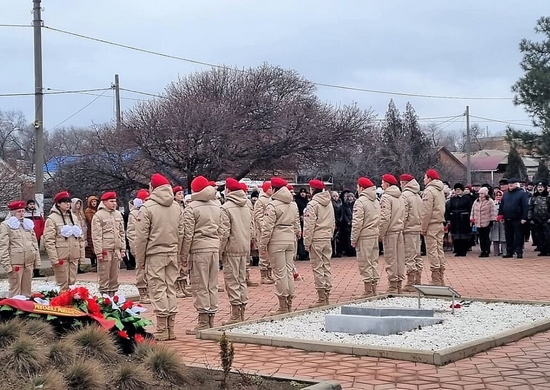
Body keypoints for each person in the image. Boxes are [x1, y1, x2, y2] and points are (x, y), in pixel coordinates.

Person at [136, 174, 184, 341]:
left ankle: (163, 329)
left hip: (155, 254)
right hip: (172, 252)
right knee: (171, 288)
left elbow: (141, 237)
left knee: (158, 289)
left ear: (152, 188)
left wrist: (140, 260)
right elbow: (181, 232)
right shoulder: (177, 206)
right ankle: (171, 328)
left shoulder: (147, 207)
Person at [182, 176, 222, 334]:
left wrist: (183, 256)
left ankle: (203, 321)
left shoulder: (192, 208)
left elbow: (187, 235)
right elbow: (222, 229)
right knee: (212, 284)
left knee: (200, 285)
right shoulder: (217, 205)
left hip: (199, 249)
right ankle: (212, 318)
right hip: (214, 247)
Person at [259, 177, 301, 315]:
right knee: (289, 272)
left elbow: (267, 228)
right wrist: (297, 233)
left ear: (274, 189)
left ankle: (283, 305)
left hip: (277, 240)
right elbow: (296, 223)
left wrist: (262, 245)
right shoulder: (292, 204)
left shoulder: (272, 205)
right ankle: (289, 303)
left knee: (280, 273)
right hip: (290, 239)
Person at [218, 178, 253, 325]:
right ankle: (242, 310)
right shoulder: (246, 205)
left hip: (231, 248)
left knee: (232, 281)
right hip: (244, 247)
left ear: (228, 190)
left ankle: (235, 314)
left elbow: (224, 232)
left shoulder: (226, 207)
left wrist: (219, 250)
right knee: (241, 280)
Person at [43, 191, 85, 292]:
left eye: (69, 202)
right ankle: (62, 305)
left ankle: (71, 304)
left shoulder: (74, 218)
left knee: (72, 283)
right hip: (61, 256)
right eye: (64, 202)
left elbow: (80, 238)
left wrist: (81, 256)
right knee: (62, 284)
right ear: (58, 203)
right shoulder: (52, 219)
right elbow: (49, 241)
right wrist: (54, 259)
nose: (68, 204)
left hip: (74, 256)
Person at [303, 179, 335, 308]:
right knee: (326, 266)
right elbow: (333, 221)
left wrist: (306, 241)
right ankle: (327, 293)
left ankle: (321, 297)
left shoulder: (313, 204)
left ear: (312, 189)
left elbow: (309, 225)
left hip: (316, 238)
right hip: (326, 237)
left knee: (317, 267)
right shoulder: (329, 203)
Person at [0, 201, 40, 297]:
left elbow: (34, 244)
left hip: (29, 262)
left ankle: (26, 310)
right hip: (15, 263)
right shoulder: (6, 225)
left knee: (27, 290)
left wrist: (37, 261)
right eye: (19, 211)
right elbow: (3, 247)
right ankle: (14, 309)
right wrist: (7, 265)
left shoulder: (28, 224)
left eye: (23, 211)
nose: (22, 214)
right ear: (13, 213)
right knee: (15, 290)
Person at [350, 177, 380, 297]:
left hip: (364, 235)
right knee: (373, 261)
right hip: (374, 234)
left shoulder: (360, 202)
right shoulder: (376, 200)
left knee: (365, 262)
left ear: (361, 188)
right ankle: (374, 288)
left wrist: (353, 239)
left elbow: (357, 223)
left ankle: (368, 290)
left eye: (358, 187)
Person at [91, 191, 125, 296]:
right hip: (105, 250)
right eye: (111, 201)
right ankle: (104, 297)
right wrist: (98, 252)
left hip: (116, 250)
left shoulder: (118, 214)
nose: (114, 203)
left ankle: (112, 296)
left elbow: (122, 233)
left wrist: (123, 249)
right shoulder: (98, 215)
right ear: (104, 202)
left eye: (115, 201)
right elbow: (96, 236)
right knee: (104, 275)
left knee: (114, 276)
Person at [379, 174, 406, 294]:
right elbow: (404, 215)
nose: (381, 185)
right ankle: (399, 283)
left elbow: (384, 217)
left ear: (387, 184)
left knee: (391, 259)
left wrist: (381, 233)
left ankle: (393, 285)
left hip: (390, 231)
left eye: (382, 182)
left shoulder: (386, 197)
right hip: (399, 229)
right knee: (400, 258)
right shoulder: (400, 197)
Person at [421, 169, 447, 286]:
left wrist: (423, 227)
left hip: (431, 223)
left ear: (430, 179)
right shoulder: (440, 190)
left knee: (432, 251)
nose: (424, 179)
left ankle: (435, 278)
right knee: (439, 249)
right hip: (440, 222)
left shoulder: (429, 191)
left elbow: (426, 212)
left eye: (425, 177)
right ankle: (441, 276)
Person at [399, 174, 423, 292]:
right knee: (417, 254)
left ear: (404, 183)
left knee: (409, 255)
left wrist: (400, 227)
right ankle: (418, 279)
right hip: (417, 228)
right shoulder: (417, 196)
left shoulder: (405, 196)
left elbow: (404, 214)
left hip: (408, 229)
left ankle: (410, 282)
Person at [127, 189, 151, 304]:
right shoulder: (134, 214)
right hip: (139, 246)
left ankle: (151, 291)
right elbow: (131, 232)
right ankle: (143, 292)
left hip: (150, 245)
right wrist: (134, 247)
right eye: (145, 200)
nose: (147, 202)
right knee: (141, 270)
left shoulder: (150, 211)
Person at [498, 178, 529, 259]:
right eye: (509, 183)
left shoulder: (521, 193)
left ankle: (519, 252)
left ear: (516, 184)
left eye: (512, 183)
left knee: (519, 236)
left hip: (518, 219)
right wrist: (500, 215)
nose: (510, 185)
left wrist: (524, 217)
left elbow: (525, 206)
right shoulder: (506, 194)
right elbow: (502, 205)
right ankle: (509, 252)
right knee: (508, 236)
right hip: (507, 218)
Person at [253, 181, 275, 284]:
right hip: (263, 232)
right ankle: (263, 275)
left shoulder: (272, 200)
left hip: (270, 231)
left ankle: (269, 273)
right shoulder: (260, 201)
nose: (272, 189)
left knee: (270, 254)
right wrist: (264, 227)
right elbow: (258, 216)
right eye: (270, 188)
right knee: (264, 253)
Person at [173, 185, 191, 299]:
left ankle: (184, 285)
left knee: (184, 262)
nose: (181, 195)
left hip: (185, 236)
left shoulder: (185, 206)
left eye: (182, 193)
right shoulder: (174, 207)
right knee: (177, 262)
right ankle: (177, 287)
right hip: (177, 237)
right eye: (178, 194)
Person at [446, 183, 473, 257]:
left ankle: (463, 250)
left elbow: (470, 208)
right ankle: (457, 250)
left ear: (462, 190)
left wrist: (470, 218)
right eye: (456, 189)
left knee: (464, 235)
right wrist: (449, 218)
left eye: (459, 189)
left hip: (464, 218)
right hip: (454, 218)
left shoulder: (466, 198)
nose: (457, 191)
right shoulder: (452, 199)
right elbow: (449, 209)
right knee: (455, 235)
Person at [470, 187, 497, 257]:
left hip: (486, 221)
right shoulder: (476, 201)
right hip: (478, 222)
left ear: (485, 194)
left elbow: (493, 211)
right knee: (481, 238)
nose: (480, 195)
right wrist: (472, 219)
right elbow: (473, 210)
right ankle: (482, 250)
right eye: (480, 193)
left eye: (482, 193)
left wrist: (492, 220)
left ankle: (487, 250)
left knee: (486, 237)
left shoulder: (490, 201)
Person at [527, 180, 550, 256]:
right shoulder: (533, 198)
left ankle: (548, 250)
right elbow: (530, 208)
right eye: (538, 187)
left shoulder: (548, 197)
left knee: (547, 236)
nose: (540, 188)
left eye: (541, 187)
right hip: (536, 220)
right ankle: (542, 250)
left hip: (546, 220)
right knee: (539, 236)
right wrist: (530, 218)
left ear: (545, 188)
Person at [25, 199, 45, 278]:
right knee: (29, 254)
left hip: (37, 236)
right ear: (27, 205)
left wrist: (41, 232)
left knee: (37, 254)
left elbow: (42, 224)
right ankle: (28, 272)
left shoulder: (38, 213)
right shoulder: (25, 214)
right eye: (30, 204)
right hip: (27, 238)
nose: (32, 206)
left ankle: (36, 271)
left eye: (33, 204)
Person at [71, 198, 88, 274]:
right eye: (76, 204)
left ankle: (79, 266)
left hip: (83, 234)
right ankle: (75, 267)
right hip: (76, 235)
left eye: (79, 204)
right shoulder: (71, 214)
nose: (78, 206)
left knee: (81, 251)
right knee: (76, 251)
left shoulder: (81, 214)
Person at [294, 188, 309, 260]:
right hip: (300, 220)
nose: (303, 194)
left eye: (304, 192)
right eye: (301, 192)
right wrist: (300, 216)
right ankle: (301, 253)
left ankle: (306, 252)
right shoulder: (297, 201)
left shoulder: (307, 201)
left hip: (306, 220)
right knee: (300, 237)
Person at [491, 189, 507, 256]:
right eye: (497, 195)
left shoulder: (505, 203)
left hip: (503, 222)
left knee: (504, 237)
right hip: (495, 222)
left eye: (500, 195)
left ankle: (504, 252)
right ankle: (496, 252)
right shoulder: (492, 203)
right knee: (495, 237)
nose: (498, 196)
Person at [84, 195, 99, 271]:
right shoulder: (88, 210)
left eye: (95, 201)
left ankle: (97, 264)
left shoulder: (98, 210)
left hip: (97, 230)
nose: (94, 203)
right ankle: (93, 264)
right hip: (91, 231)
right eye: (92, 201)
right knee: (91, 248)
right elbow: (90, 220)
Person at [330, 191, 343, 258]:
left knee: (338, 239)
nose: (335, 198)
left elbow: (342, 212)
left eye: (336, 196)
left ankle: (338, 252)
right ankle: (332, 252)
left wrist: (340, 220)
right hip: (333, 221)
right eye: (334, 196)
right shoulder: (330, 204)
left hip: (339, 222)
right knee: (332, 238)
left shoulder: (341, 203)